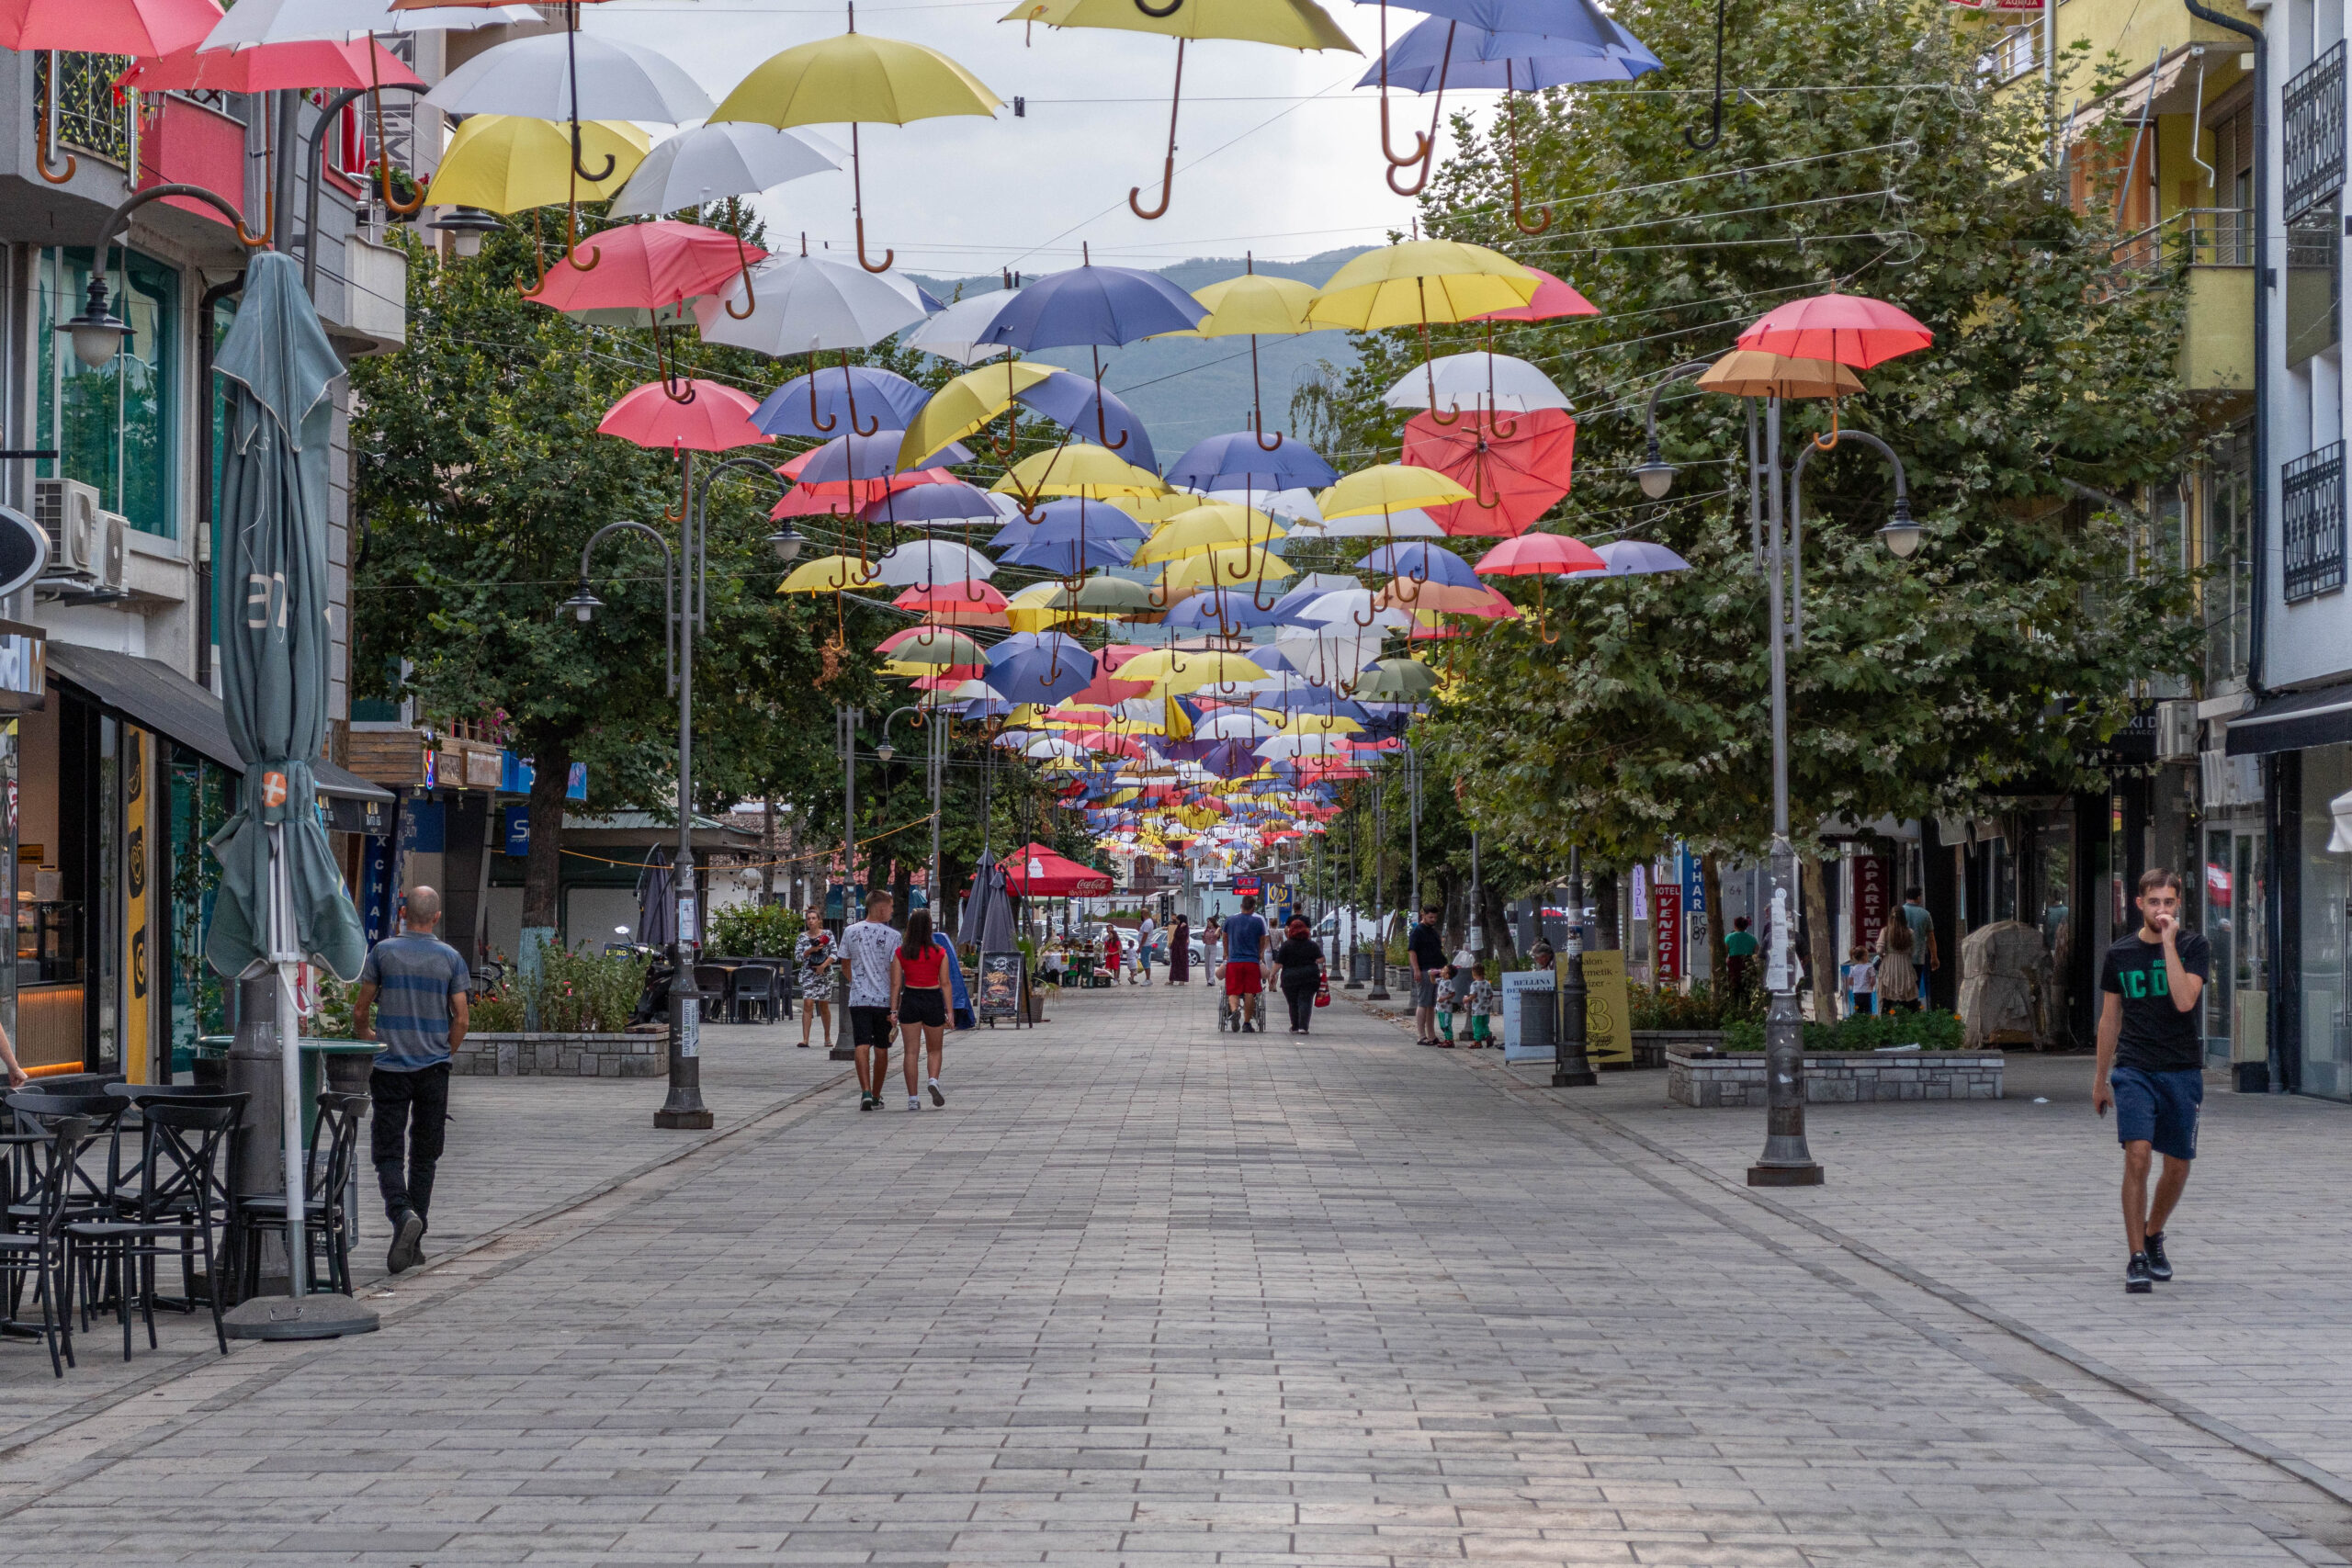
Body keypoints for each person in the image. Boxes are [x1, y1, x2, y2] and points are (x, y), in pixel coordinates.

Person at [2094, 867, 2211, 1295]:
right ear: (2139, 903)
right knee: (2138, 1155)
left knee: (2177, 1165)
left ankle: (2153, 1232)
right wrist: (2100, 1079)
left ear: (2178, 904)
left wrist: (2168, 944)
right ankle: (2136, 1257)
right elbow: (2109, 1020)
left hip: (2181, 1069)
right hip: (2134, 1068)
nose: (2162, 909)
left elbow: (2184, 1000)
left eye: (2169, 902)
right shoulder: (2119, 954)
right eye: (2154, 902)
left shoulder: (2194, 946)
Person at [350, 885, 469, 1276]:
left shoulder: (383, 952)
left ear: (403, 913)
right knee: (425, 1153)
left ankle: (401, 1213)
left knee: (386, 1151)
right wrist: (445, 1051)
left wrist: (369, 1038)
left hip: (389, 1067)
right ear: (435, 917)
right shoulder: (450, 958)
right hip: (433, 1069)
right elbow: (462, 1019)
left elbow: (361, 1008)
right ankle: (414, 1239)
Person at [841, 889, 902, 1111]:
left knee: (861, 1043)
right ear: (881, 907)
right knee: (882, 1047)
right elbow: (896, 979)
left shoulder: (850, 931)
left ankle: (865, 1091)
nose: (892, 910)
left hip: (859, 999)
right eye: (891, 906)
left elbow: (845, 964)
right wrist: (894, 1008)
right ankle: (876, 1095)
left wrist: (857, 982)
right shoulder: (894, 937)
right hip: (884, 999)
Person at [889, 908, 951, 1111]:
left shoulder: (901, 953)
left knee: (911, 1052)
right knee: (935, 1049)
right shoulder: (940, 952)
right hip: (932, 999)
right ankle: (933, 1079)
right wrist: (950, 1012)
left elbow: (896, 985)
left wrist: (893, 1011)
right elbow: (945, 983)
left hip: (911, 999)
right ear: (929, 927)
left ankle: (913, 1098)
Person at [1220, 895, 1271, 1033]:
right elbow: (1262, 940)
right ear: (1253, 908)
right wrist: (1260, 953)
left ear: (1241, 906)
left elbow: (1225, 938)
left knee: (1233, 990)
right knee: (1250, 992)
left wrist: (1227, 953)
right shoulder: (1257, 922)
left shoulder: (1230, 920)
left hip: (1234, 961)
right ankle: (1247, 1023)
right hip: (1251, 961)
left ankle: (1235, 1010)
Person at [1272, 915, 1324, 1034]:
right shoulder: (1312, 945)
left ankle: (1295, 1026)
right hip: (1309, 977)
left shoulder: (1286, 946)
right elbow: (1321, 959)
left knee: (1293, 1002)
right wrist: (1314, 961)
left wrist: (1272, 975)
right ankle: (1303, 1027)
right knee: (1306, 1000)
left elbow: (1278, 963)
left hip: (1290, 978)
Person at [794, 908, 836, 1051]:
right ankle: (805, 1039)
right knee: (808, 1003)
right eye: (808, 919)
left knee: (824, 1005)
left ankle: (827, 1037)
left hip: (824, 973)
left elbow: (835, 954)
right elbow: (798, 957)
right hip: (808, 973)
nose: (810, 921)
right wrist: (810, 950)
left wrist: (823, 966)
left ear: (819, 920)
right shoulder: (802, 937)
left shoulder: (827, 935)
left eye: (813, 918)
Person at [1408, 906, 1447, 1046]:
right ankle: (1421, 1035)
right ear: (1423, 915)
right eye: (1431, 917)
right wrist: (1416, 969)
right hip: (1424, 970)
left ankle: (1431, 1035)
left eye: (1435, 918)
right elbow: (1412, 951)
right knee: (1423, 1002)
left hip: (1436, 970)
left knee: (1431, 1004)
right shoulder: (1417, 931)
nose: (1433, 920)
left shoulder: (1433, 932)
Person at [1901, 886, 1939, 1006]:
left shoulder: (1898, 912)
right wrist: (1934, 956)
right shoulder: (1925, 914)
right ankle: (1912, 1014)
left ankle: (1900, 1015)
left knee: (1900, 990)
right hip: (1918, 959)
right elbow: (1931, 938)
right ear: (1918, 898)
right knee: (1914, 990)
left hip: (1900, 959)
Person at [1876, 917, 1918, 1014]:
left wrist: (1882, 955)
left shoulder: (1885, 931)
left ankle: (1885, 1023)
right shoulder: (1910, 932)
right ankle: (1910, 1021)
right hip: (1905, 965)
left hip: (1889, 965)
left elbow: (1880, 949)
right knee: (1908, 997)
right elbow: (1913, 950)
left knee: (1886, 998)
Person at [1722, 916, 1759, 997]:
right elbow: (1757, 952)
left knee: (1734, 992)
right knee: (1747, 992)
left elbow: (1725, 953)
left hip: (1734, 967)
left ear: (1735, 925)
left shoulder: (1729, 937)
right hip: (1747, 966)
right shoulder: (1752, 938)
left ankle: (1734, 1007)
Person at [1844, 942, 1878, 1019]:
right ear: (1864, 957)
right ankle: (1867, 1024)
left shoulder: (1853, 968)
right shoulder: (1869, 967)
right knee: (1867, 1010)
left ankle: (1858, 1023)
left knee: (1858, 1010)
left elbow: (1850, 981)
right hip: (1866, 992)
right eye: (1867, 955)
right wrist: (1871, 986)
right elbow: (1873, 980)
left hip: (1856, 993)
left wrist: (1856, 984)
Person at [1465, 963, 1496, 1047]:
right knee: (1485, 1025)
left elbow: (1473, 995)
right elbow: (1491, 995)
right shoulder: (1487, 983)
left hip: (1477, 1010)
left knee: (1477, 1026)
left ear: (1473, 973)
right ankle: (1488, 1036)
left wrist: (1466, 999)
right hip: (1486, 1010)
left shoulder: (1474, 984)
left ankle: (1477, 1042)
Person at [1168, 914, 1192, 985]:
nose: (1177, 920)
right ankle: (1172, 979)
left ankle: (1182, 980)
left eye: (1178, 919)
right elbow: (1175, 935)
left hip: (1182, 949)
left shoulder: (1185, 927)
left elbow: (1182, 935)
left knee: (1182, 964)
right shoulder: (1178, 926)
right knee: (1174, 964)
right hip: (1176, 948)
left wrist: (1181, 927)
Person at [1134, 912, 1156, 985]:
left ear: (1143, 914)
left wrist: (1140, 946)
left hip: (1145, 945)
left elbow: (1145, 935)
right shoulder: (1148, 922)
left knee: (1145, 962)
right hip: (1145, 945)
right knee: (1145, 962)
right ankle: (1147, 979)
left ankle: (1148, 979)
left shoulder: (1147, 923)